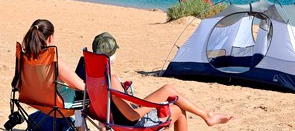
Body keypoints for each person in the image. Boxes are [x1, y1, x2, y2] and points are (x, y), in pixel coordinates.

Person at [92, 32, 232, 130]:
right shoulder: (112, 79)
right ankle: (207, 116)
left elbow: (120, 106)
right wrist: (152, 105)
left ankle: (208, 115)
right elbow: (131, 115)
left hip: (119, 120)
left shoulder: (94, 78)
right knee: (173, 99)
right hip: (133, 123)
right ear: (111, 56)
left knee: (172, 98)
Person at [22, 19, 85, 92]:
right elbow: (82, 86)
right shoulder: (53, 60)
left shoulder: (23, 57)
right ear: (50, 38)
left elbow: (16, 84)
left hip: (31, 98)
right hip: (59, 101)